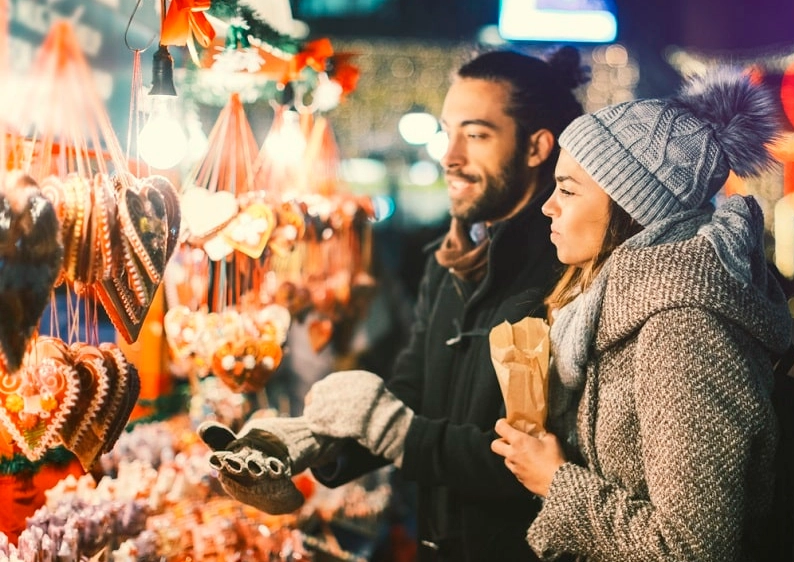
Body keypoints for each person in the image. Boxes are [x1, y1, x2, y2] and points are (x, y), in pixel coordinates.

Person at [198, 47, 590, 562]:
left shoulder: (567, 276)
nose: (449, 156)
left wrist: (395, 432)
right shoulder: (448, 261)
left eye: (475, 135)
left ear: (538, 147)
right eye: (447, 132)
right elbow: (412, 389)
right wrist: (315, 439)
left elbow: (533, 460)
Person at [489, 70, 794, 561]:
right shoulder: (602, 307)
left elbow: (692, 549)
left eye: (567, 191)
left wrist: (554, 481)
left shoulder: (683, 331)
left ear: (632, 208)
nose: (548, 206)